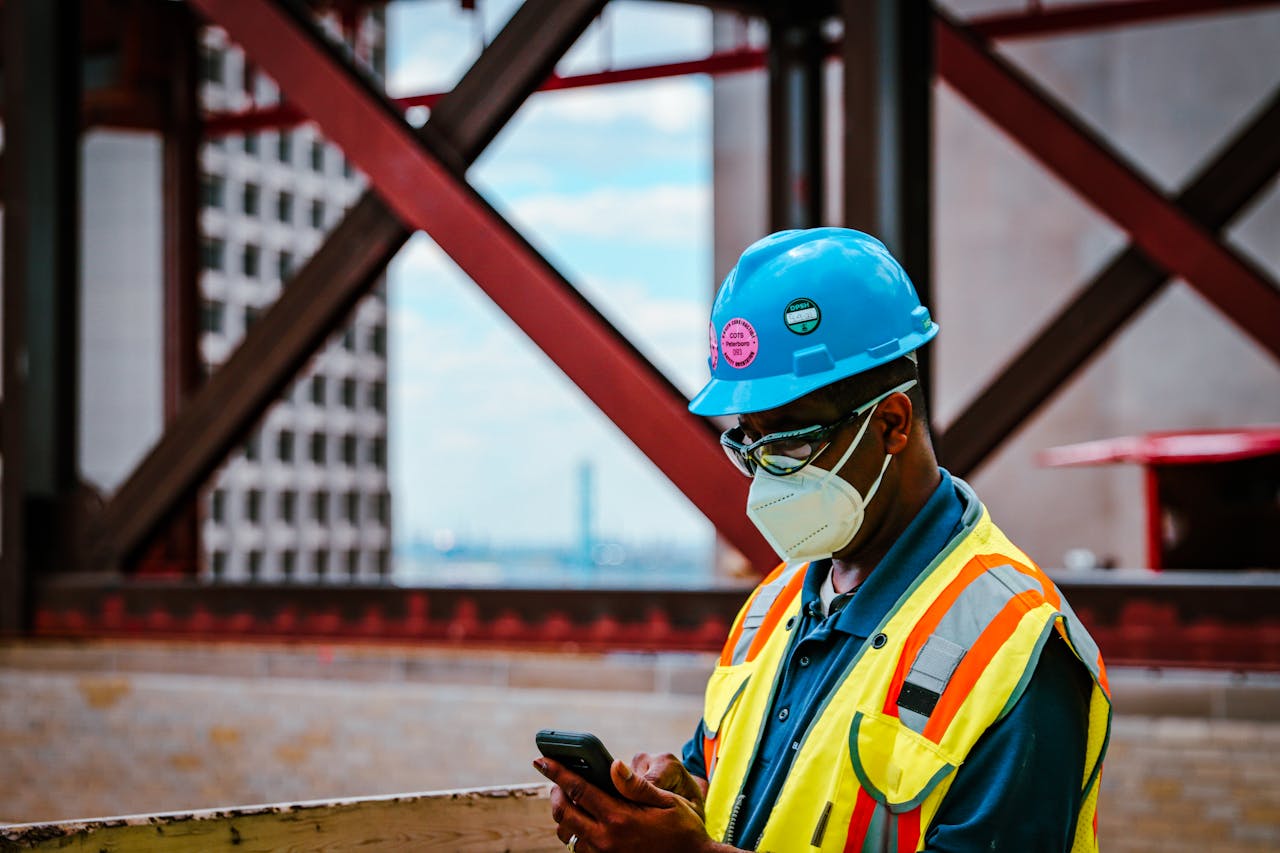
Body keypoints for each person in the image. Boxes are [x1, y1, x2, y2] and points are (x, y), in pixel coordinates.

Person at [535, 228, 1112, 852]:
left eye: (788, 444)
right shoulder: (773, 606)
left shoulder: (1015, 646)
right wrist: (683, 796)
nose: (764, 479)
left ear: (892, 423)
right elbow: (747, 795)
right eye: (747, 445)